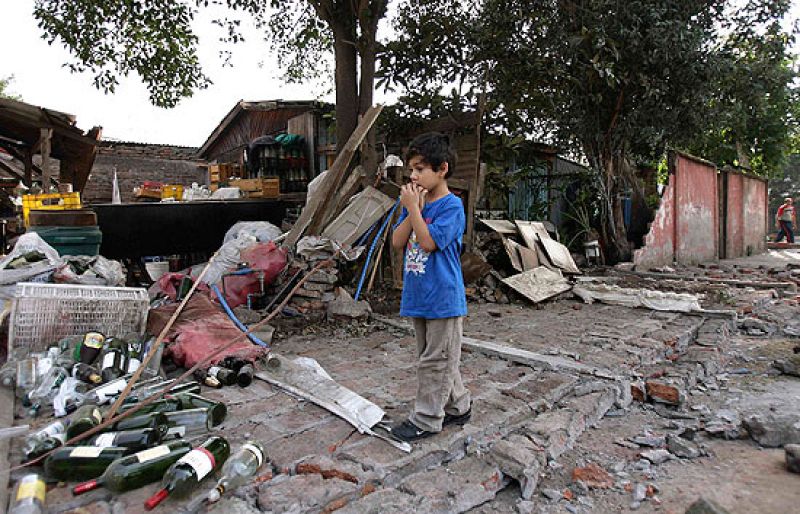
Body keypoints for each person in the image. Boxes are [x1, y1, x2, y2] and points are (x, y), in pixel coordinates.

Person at [389, 132, 472, 442]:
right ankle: (460, 406)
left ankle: (426, 418)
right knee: (437, 356)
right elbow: (398, 242)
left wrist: (414, 209)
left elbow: (428, 242)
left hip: (443, 297)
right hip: (419, 295)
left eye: (420, 169)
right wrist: (413, 209)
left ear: (442, 169)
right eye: (411, 169)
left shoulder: (453, 207)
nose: (413, 176)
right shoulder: (416, 204)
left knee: (435, 361)